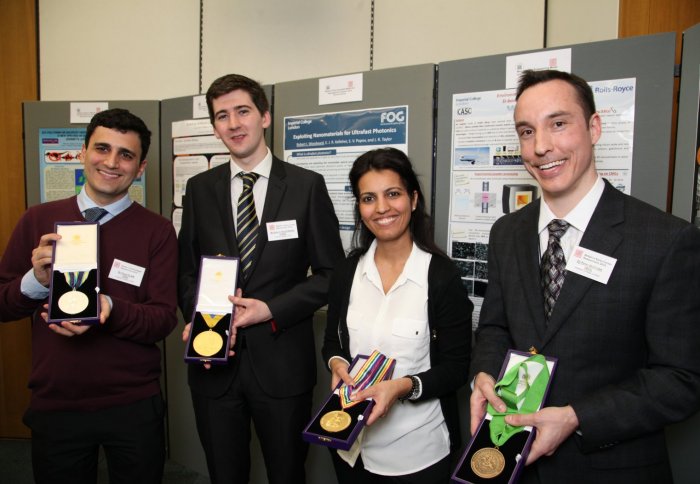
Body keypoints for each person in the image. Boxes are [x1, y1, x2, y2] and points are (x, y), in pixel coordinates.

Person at [469, 69, 700, 483]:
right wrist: (484, 375)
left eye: (558, 124)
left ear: (594, 127)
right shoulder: (506, 232)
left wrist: (577, 417)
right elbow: (495, 327)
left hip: (611, 468)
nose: (541, 147)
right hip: (512, 462)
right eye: (526, 131)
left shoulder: (665, 239)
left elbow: (681, 379)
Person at [178, 73, 344, 484]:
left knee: (287, 473)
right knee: (224, 473)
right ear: (215, 127)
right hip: (213, 362)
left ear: (265, 116)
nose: (233, 124)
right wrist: (203, 320)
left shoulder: (306, 187)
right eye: (222, 116)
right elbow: (185, 271)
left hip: (282, 365)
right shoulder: (200, 189)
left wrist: (270, 309)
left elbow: (332, 276)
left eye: (242, 111)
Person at [0, 108, 178, 483]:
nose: (112, 163)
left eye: (125, 155)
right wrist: (35, 280)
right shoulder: (37, 220)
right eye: (102, 149)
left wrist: (109, 308)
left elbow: (162, 319)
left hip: (132, 402)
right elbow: (3, 304)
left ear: (140, 167)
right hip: (57, 400)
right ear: (83, 153)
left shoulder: (157, 232)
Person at [322, 148, 473, 483]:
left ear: (413, 199)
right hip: (351, 446)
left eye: (393, 194)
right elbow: (332, 341)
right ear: (360, 209)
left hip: (417, 452)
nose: (382, 208)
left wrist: (403, 387)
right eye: (368, 198)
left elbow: (456, 369)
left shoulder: (441, 276)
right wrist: (336, 363)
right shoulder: (347, 272)